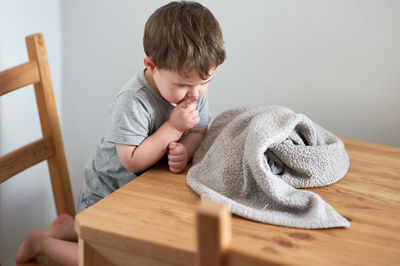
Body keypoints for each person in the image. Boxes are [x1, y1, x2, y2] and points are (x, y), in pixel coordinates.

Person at [15, 1, 226, 264]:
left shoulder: (192, 88)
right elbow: (132, 160)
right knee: (107, 260)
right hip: (107, 193)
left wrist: (186, 150)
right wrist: (172, 128)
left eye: (205, 82)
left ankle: (66, 226)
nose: (195, 94)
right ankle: (42, 243)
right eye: (184, 84)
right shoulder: (133, 100)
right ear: (151, 65)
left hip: (143, 191)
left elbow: (200, 128)